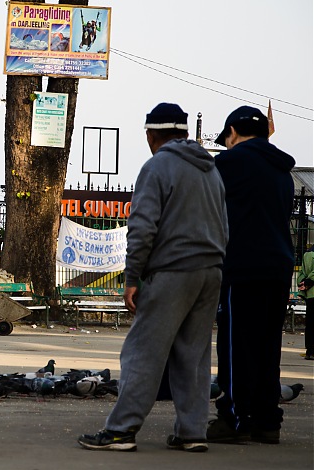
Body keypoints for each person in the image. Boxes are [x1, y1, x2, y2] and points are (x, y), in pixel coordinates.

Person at [78, 103, 228, 452]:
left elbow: (142, 227)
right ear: (185, 132)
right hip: (211, 271)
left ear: (151, 134)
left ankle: (121, 431)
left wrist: (132, 278)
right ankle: (192, 433)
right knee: (194, 355)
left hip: (173, 271)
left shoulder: (157, 166)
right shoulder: (211, 170)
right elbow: (225, 224)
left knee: (143, 351)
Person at [207, 106, 296, 444]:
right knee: (267, 345)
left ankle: (232, 417)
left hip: (242, 267)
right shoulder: (282, 172)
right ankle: (266, 420)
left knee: (235, 344)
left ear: (232, 132)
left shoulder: (230, 164)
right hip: (278, 268)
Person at [297, 246, 314, 361]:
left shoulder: (307, 253)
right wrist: (310, 280)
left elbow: (302, 272)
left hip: (309, 293)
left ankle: (310, 350)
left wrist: (303, 282)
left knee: (310, 323)